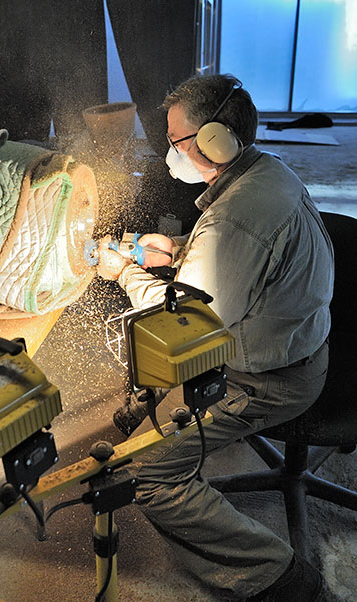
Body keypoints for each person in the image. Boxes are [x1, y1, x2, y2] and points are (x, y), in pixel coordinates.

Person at [96, 73, 333, 601]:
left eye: (176, 141)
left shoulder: (233, 220)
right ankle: (151, 414)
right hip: (298, 343)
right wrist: (179, 247)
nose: (170, 152)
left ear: (214, 141)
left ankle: (281, 578)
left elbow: (187, 325)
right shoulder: (267, 171)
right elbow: (246, 256)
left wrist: (125, 272)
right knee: (158, 392)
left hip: (272, 380)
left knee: (149, 474)